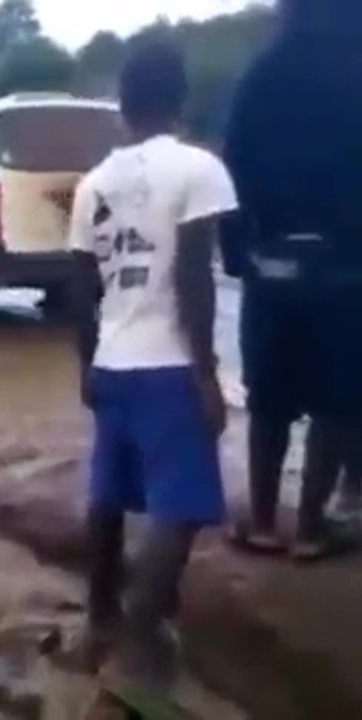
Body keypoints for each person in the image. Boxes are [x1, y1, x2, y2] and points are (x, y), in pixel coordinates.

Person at [68, 39, 236, 695]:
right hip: (169, 366)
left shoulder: (92, 185)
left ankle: (99, 619)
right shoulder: (198, 170)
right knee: (183, 504)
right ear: (180, 97)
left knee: (109, 495)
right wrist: (207, 374)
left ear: (122, 104)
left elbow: (83, 289)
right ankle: (141, 631)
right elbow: (196, 278)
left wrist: (86, 367)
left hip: (113, 362)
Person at [221, 0, 362, 561]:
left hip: (270, 261)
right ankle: (309, 527)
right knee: (336, 400)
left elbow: (232, 168)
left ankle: (260, 520)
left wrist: (238, 255)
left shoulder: (262, 73)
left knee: (269, 397)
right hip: (348, 266)